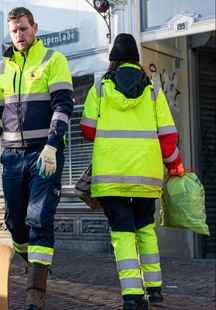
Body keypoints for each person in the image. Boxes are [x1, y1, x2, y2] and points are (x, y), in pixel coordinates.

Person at [80, 33, 185, 310]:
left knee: (122, 234)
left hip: (111, 175)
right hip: (146, 175)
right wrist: (174, 164)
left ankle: (132, 296)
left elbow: (87, 131)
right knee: (146, 229)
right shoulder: (153, 91)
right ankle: (155, 289)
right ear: (137, 61)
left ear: (113, 60)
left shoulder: (100, 89)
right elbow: (168, 136)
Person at [0, 7, 74, 310]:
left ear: (35, 28)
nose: (19, 35)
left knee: (38, 219)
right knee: (15, 223)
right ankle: (35, 263)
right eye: (14, 31)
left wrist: (52, 145)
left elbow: (63, 106)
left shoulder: (53, 60)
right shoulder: (1, 68)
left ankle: (35, 296)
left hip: (43, 155)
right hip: (12, 158)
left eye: (23, 29)